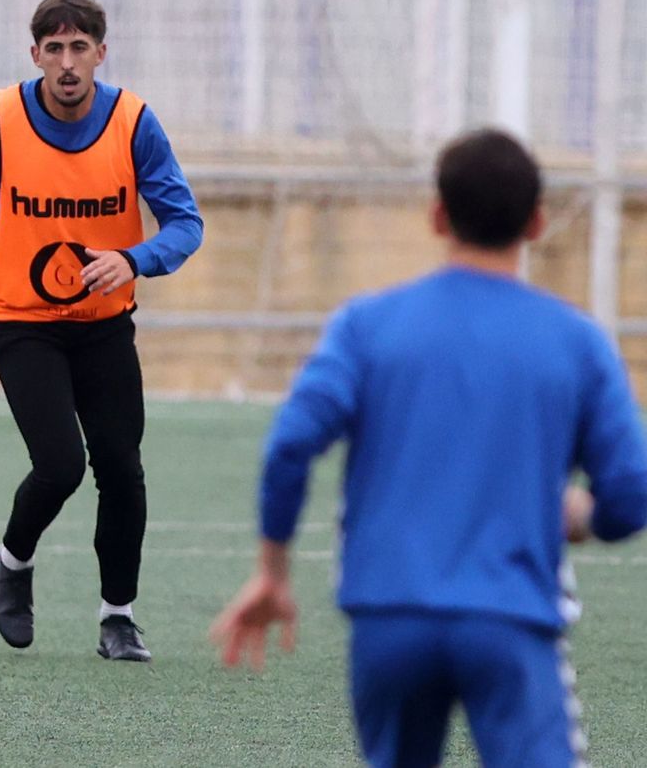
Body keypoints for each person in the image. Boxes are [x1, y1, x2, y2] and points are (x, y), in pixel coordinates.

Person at [210, 129, 647, 767]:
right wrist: (582, 515)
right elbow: (632, 492)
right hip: (509, 617)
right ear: (536, 222)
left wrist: (273, 573)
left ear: (437, 215)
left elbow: (289, 446)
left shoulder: (367, 325)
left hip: (390, 616)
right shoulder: (575, 340)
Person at [0, 0, 202, 661]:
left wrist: (133, 259)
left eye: (80, 48)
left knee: (122, 470)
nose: (68, 63)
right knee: (60, 463)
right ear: (35, 54)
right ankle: (13, 562)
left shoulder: (133, 123)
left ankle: (118, 617)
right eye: (55, 49)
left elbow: (185, 223)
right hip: (20, 320)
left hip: (103, 323)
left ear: (101, 53)